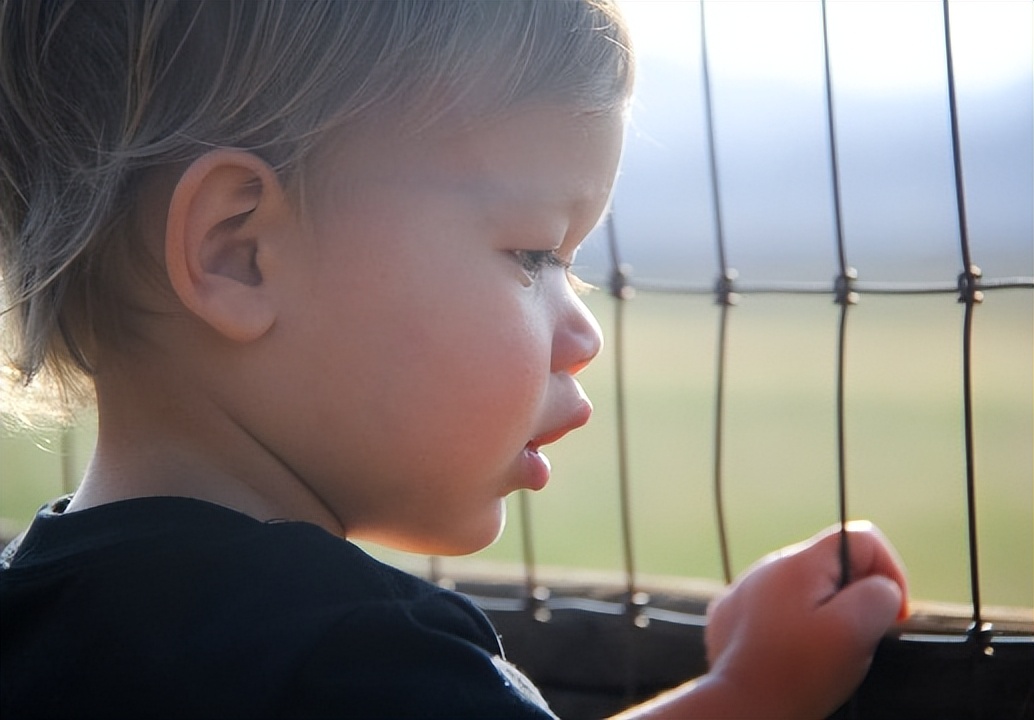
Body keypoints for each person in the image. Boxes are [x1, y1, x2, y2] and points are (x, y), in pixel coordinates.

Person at [0, 1, 908, 718]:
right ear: (241, 251)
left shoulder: (31, 629)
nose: (583, 332)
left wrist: (738, 700)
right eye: (533, 255)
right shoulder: (364, 664)